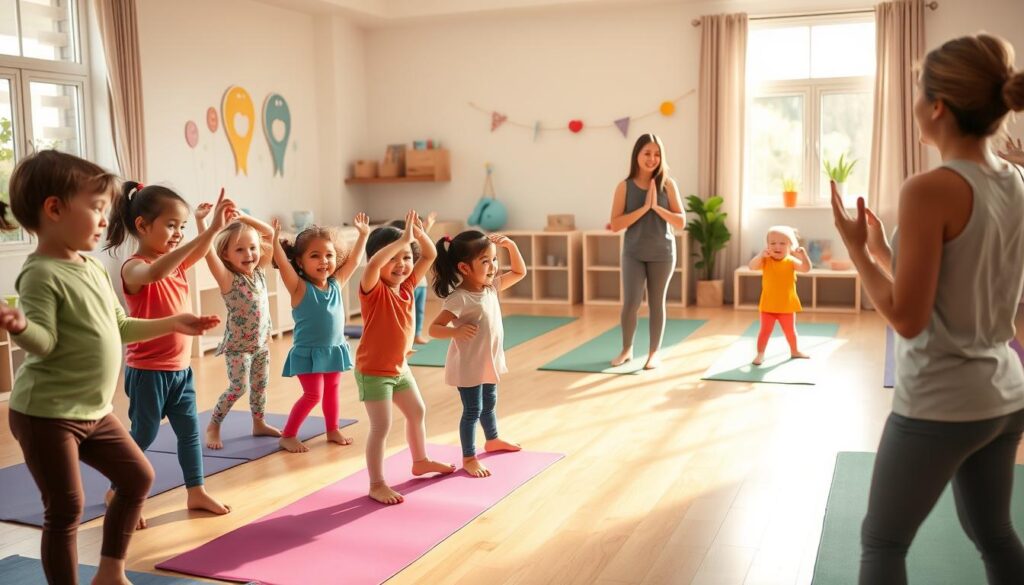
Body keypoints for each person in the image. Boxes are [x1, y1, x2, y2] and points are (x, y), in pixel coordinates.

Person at [831, 33, 1024, 585]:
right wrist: (886, 252)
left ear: (937, 106)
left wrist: (856, 252)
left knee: (882, 543)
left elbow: (907, 317)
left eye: (918, 91)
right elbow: (961, 281)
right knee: (996, 536)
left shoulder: (929, 189)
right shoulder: (1015, 180)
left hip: (942, 401)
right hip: (1005, 395)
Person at [1, 151, 219, 584]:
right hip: (46, 414)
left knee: (138, 476)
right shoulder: (41, 274)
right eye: (97, 208)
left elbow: (119, 326)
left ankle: (110, 571)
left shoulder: (94, 269)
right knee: (65, 509)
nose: (106, 219)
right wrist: (22, 327)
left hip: (94, 411)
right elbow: (44, 343)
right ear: (54, 209)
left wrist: (174, 321)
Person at [105, 181, 233, 524]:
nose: (177, 234)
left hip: (180, 370)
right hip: (148, 371)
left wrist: (213, 227)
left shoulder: (175, 263)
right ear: (142, 226)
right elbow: (155, 271)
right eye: (171, 225)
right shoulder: (133, 266)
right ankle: (119, 490)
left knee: (189, 431)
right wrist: (197, 237)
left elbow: (198, 251)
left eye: (182, 226)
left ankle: (196, 491)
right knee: (144, 434)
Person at [357, 210, 455, 504]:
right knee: (381, 427)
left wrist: (418, 234)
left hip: (400, 369)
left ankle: (420, 460)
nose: (401, 264)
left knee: (417, 412)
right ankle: (376, 483)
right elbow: (373, 263)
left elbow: (429, 254)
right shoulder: (373, 290)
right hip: (374, 371)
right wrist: (402, 240)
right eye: (393, 259)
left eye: (405, 258)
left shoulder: (409, 286)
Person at [428, 230, 526, 477]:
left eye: (494, 260)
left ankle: (492, 440)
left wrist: (511, 246)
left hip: (488, 361)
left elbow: (520, 272)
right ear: (464, 267)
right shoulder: (459, 298)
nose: (493, 267)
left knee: (489, 404)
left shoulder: (490, 287)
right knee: (472, 411)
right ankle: (469, 457)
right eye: (485, 262)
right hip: (468, 365)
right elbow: (433, 328)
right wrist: (455, 333)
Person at [271, 214, 369, 453]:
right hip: (308, 353)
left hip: (334, 349)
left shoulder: (336, 283)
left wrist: (363, 235)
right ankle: (288, 435)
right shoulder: (298, 287)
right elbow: (283, 264)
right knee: (313, 395)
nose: (324, 261)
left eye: (329, 255)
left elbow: (355, 261)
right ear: (300, 262)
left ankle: (332, 429)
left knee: (332, 391)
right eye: (315, 256)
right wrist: (274, 241)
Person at [195, 208, 280, 449]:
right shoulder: (228, 278)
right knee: (239, 387)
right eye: (240, 249)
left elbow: (270, 233)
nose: (249, 254)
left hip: (261, 344)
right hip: (238, 347)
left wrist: (243, 217)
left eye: (252, 248)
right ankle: (214, 425)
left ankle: (258, 423)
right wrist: (202, 222)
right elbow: (207, 251)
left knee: (260, 386)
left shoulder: (260, 272)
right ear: (227, 254)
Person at [608, 133, 685, 370]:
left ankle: (654, 353)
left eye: (657, 154)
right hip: (633, 253)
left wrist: (657, 207)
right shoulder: (624, 186)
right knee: (631, 303)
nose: (652, 158)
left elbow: (681, 222)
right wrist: (644, 208)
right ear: (637, 155)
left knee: (656, 302)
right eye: (647, 153)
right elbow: (616, 224)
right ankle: (626, 349)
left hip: (663, 253)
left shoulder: (668, 185)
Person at [746, 225, 812, 365]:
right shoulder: (765, 261)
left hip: (786, 305)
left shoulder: (791, 261)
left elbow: (806, 269)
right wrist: (760, 255)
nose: (778, 246)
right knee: (764, 332)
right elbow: (751, 266)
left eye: (783, 243)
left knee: (790, 332)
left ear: (790, 246)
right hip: (768, 305)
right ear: (767, 246)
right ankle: (760, 354)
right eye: (773, 243)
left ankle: (795, 351)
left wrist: (804, 256)